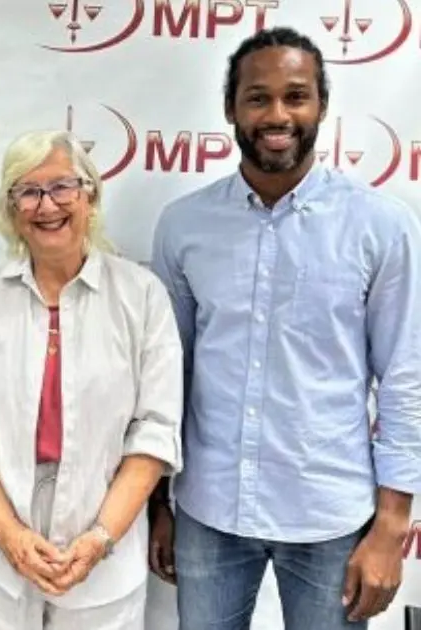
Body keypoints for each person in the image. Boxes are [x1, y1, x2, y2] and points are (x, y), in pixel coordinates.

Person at [148, 27, 421, 630]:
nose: (277, 115)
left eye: (296, 96)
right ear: (230, 108)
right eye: (258, 97)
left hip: (331, 516)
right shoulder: (184, 226)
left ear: (321, 106)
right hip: (209, 511)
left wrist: (392, 525)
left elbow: (407, 381)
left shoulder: (381, 226)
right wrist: (157, 503)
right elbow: (165, 377)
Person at [0, 129, 183, 629]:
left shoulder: (141, 296)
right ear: (12, 209)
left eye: (62, 187)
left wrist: (100, 538)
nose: (47, 205)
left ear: (90, 196)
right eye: (28, 191)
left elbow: (155, 430)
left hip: (104, 547)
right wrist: (8, 535)